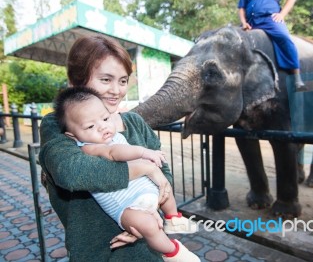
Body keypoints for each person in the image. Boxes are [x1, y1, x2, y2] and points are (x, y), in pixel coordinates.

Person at [38, 34, 184, 261]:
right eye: (106, 80)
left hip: (149, 249)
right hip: (98, 251)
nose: (116, 90)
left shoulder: (135, 123)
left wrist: (143, 216)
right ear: (76, 83)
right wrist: (145, 168)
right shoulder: (59, 126)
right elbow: (73, 172)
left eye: (123, 80)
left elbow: (163, 172)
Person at [53, 86, 199, 261]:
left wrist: (155, 170)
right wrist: (144, 153)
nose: (102, 127)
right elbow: (114, 153)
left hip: (145, 188)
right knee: (148, 227)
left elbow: (162, 171)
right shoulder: (88, 148)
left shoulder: (120, 132)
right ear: (73, 136)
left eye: (105, 118)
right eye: (91, 126)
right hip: (125, 205)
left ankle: (173, 217)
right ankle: (173, 252)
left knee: (166, 193)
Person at [238, 0, 306, 91]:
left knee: (284, 37)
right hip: (250, 22)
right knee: (235, 41)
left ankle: (297, 78)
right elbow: (241, 7)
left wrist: (282, 14)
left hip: (270, 20)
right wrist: (243, 22)